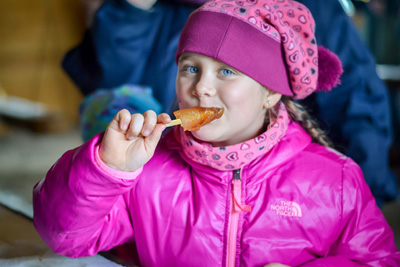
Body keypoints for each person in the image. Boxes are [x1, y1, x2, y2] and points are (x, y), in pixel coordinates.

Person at [33, 0, 400, 265]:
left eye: (226, 71)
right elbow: (65, 236)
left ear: (271, 92)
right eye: (190, 68)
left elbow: (376, 259)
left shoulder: (337, 180)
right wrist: (106, 168)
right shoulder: (146, 173)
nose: (201, 88)